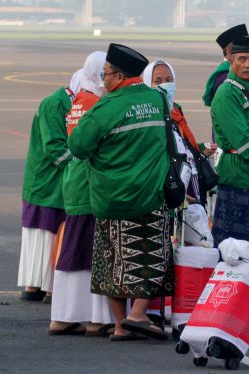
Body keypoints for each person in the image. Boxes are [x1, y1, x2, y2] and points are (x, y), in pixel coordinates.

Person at [68, 43, 171, 341]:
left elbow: (78, 146)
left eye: (106, 74)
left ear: (120, 75)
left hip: (111, 197)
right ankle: (138, 312)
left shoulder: (107, 106)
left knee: (110, 260)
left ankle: (122, 322)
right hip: (151, 195)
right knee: (152, 256)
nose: (103, 80)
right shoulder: (157, 100)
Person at [50, 51, 114, 336]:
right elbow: (93, 146)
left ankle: (66, 315)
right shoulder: (92, 103)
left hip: (79, 184)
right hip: (89, 185)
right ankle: (94, 318)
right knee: (90, 251)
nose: (107, 79)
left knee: (76, 249)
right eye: (104, 73)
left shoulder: (81, 99)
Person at [17, 67, 76, 302]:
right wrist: (79, 165)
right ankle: (38, 284)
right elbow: (54, 147)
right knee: (44, 231)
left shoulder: (66, 101)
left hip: (51, 180)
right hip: (47, 179)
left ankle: (41, 284)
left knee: (49, 233)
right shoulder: (55, 104)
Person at [210, 36, 249, 245]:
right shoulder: (227, 93)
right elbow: (244, 143)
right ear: (232, 61)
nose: (248, 64)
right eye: (242, 59)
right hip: (238, 181)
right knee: (236, 253)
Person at [143, 59, 217, 205]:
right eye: (158, 81)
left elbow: (181, 143)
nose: (165, 84)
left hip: (191, 176)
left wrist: (200, 149)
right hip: (171, 183)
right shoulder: (150, 115)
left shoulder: (176, 110)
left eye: (169, 80)